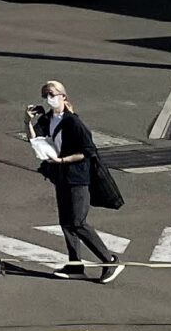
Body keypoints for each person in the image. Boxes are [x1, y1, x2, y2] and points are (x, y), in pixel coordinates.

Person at [31, 79, 121, 280]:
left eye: (53, 95)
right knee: (66, 222)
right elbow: (35, 138)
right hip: (61, 177)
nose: (49, 99)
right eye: (46, 96)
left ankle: (110, 261)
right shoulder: (49, 119)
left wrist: (62, 160)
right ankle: (75, 265)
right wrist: (26, 120)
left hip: (78, 178)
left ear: (63, 96)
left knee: (78, 222)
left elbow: (87, 151)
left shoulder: (73, 122)